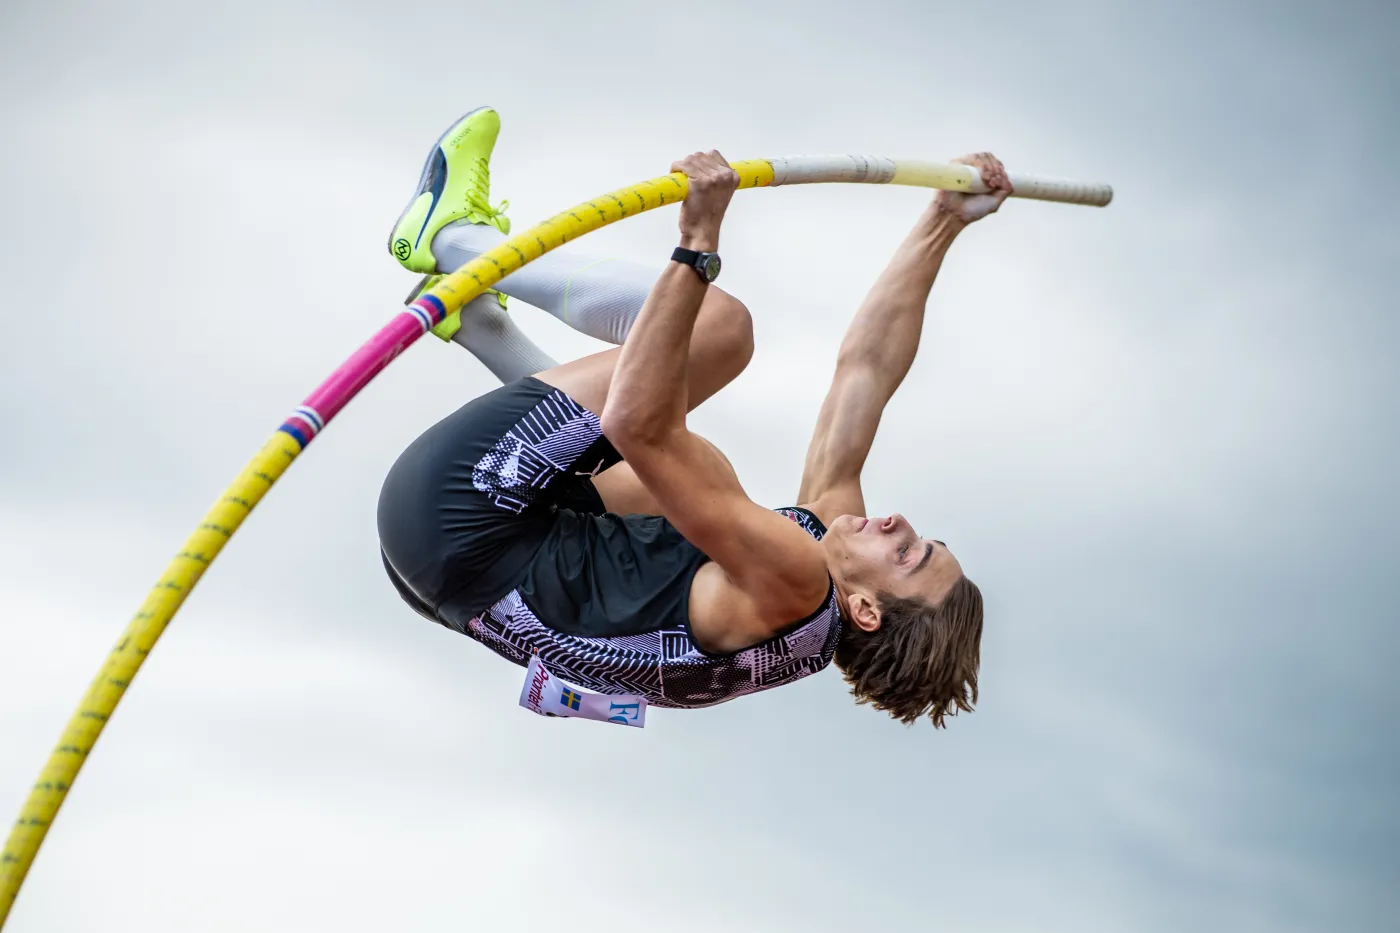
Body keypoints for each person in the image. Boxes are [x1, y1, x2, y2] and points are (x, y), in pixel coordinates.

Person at [378, 107, 1009, 727]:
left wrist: (699, 241)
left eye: (908, 554)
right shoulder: (806, 596)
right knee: (675, 493)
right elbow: (865, 374)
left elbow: (637, 426)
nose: (899, 524)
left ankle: (456, 241)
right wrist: (942, 223)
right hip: (450, 575)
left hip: (455, 517)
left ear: (867, 611)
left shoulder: (791, 579)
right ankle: (484, 327)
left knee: (718, 332)